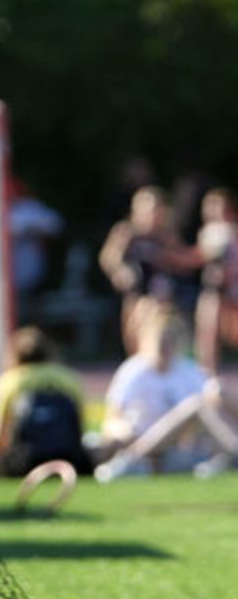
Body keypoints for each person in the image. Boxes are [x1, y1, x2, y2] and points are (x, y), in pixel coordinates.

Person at [94, 305, 238, 480]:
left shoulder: (188, 370)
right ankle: (131, 460)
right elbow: (112, 419)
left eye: (170, 341)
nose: (165, 348)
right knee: (194, 405)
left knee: (218, 390)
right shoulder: (133, 371)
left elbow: (211, 404)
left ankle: (230, 453)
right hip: (142, 440)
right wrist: (123, 430)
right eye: (161, 342)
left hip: (180, 445)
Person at [0, 326, 92, 478]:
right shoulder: (69, 377)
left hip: (22, 464)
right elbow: (80, 431)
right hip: (71, 461)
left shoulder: (11, 381)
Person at [98, 185, 199, 354]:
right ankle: (138, 356)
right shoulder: (126, 233)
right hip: (137, 291)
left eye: (156, 211)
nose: (152, 216)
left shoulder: (166, 235)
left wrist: (168, 256)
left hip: (165, 293)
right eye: (147, 210)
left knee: (155, 306)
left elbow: (185, 263)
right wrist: (119, 271)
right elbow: (108, 258)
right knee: (136, 311)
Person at [193, 187, 238, 373]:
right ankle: (207, 373)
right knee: (208, 320)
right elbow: (196, 258)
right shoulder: (207, 233)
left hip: (233, 293)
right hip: (216, 292)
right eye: (210, 206)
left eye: (218, 206)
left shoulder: (233, 232)